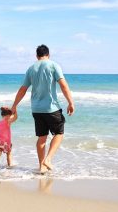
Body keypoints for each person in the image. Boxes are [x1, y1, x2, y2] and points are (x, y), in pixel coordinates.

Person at [11, 44, 74, 174]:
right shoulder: (53, 65)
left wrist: (14, 105)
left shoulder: (31, 68)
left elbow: (23, 89)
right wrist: (70, 102)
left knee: (42, 138)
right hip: (51, 108)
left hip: (36, 109)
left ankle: (41, 167)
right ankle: (48, 159)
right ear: (48, 55)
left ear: (37, 56)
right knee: (59, 133)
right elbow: (63, 85)